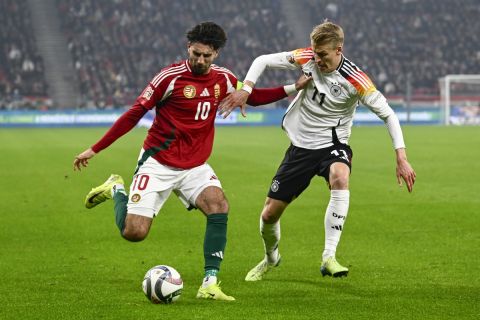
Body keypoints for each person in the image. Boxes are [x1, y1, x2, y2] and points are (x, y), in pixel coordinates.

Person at [73, 22, 308, 301]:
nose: (200, 60)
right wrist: (94, 149)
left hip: (194, 166)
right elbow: (134, 113)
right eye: (196, 54)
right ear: (188, 48)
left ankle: (209, 283)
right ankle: (116, 189)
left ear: (216, 53)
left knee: (219, 206)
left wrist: (293, 86)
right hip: (158, 163)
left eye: (206, 56)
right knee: (134, 233)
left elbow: (251, 96)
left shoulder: (223, 78)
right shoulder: (169, 77)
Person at [219, 20, 416, 281]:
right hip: (301, 148)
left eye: (322, 55)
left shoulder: (356, 80)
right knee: (269, 214)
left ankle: (329, 256)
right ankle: (270, 258)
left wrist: (401, 157)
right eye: (314, 52)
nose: (317, 60)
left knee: (340, 177)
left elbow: (389, 115)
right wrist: (246, 89)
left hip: (333, 145)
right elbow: (262, 60)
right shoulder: (307, 57)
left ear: (338, 50)